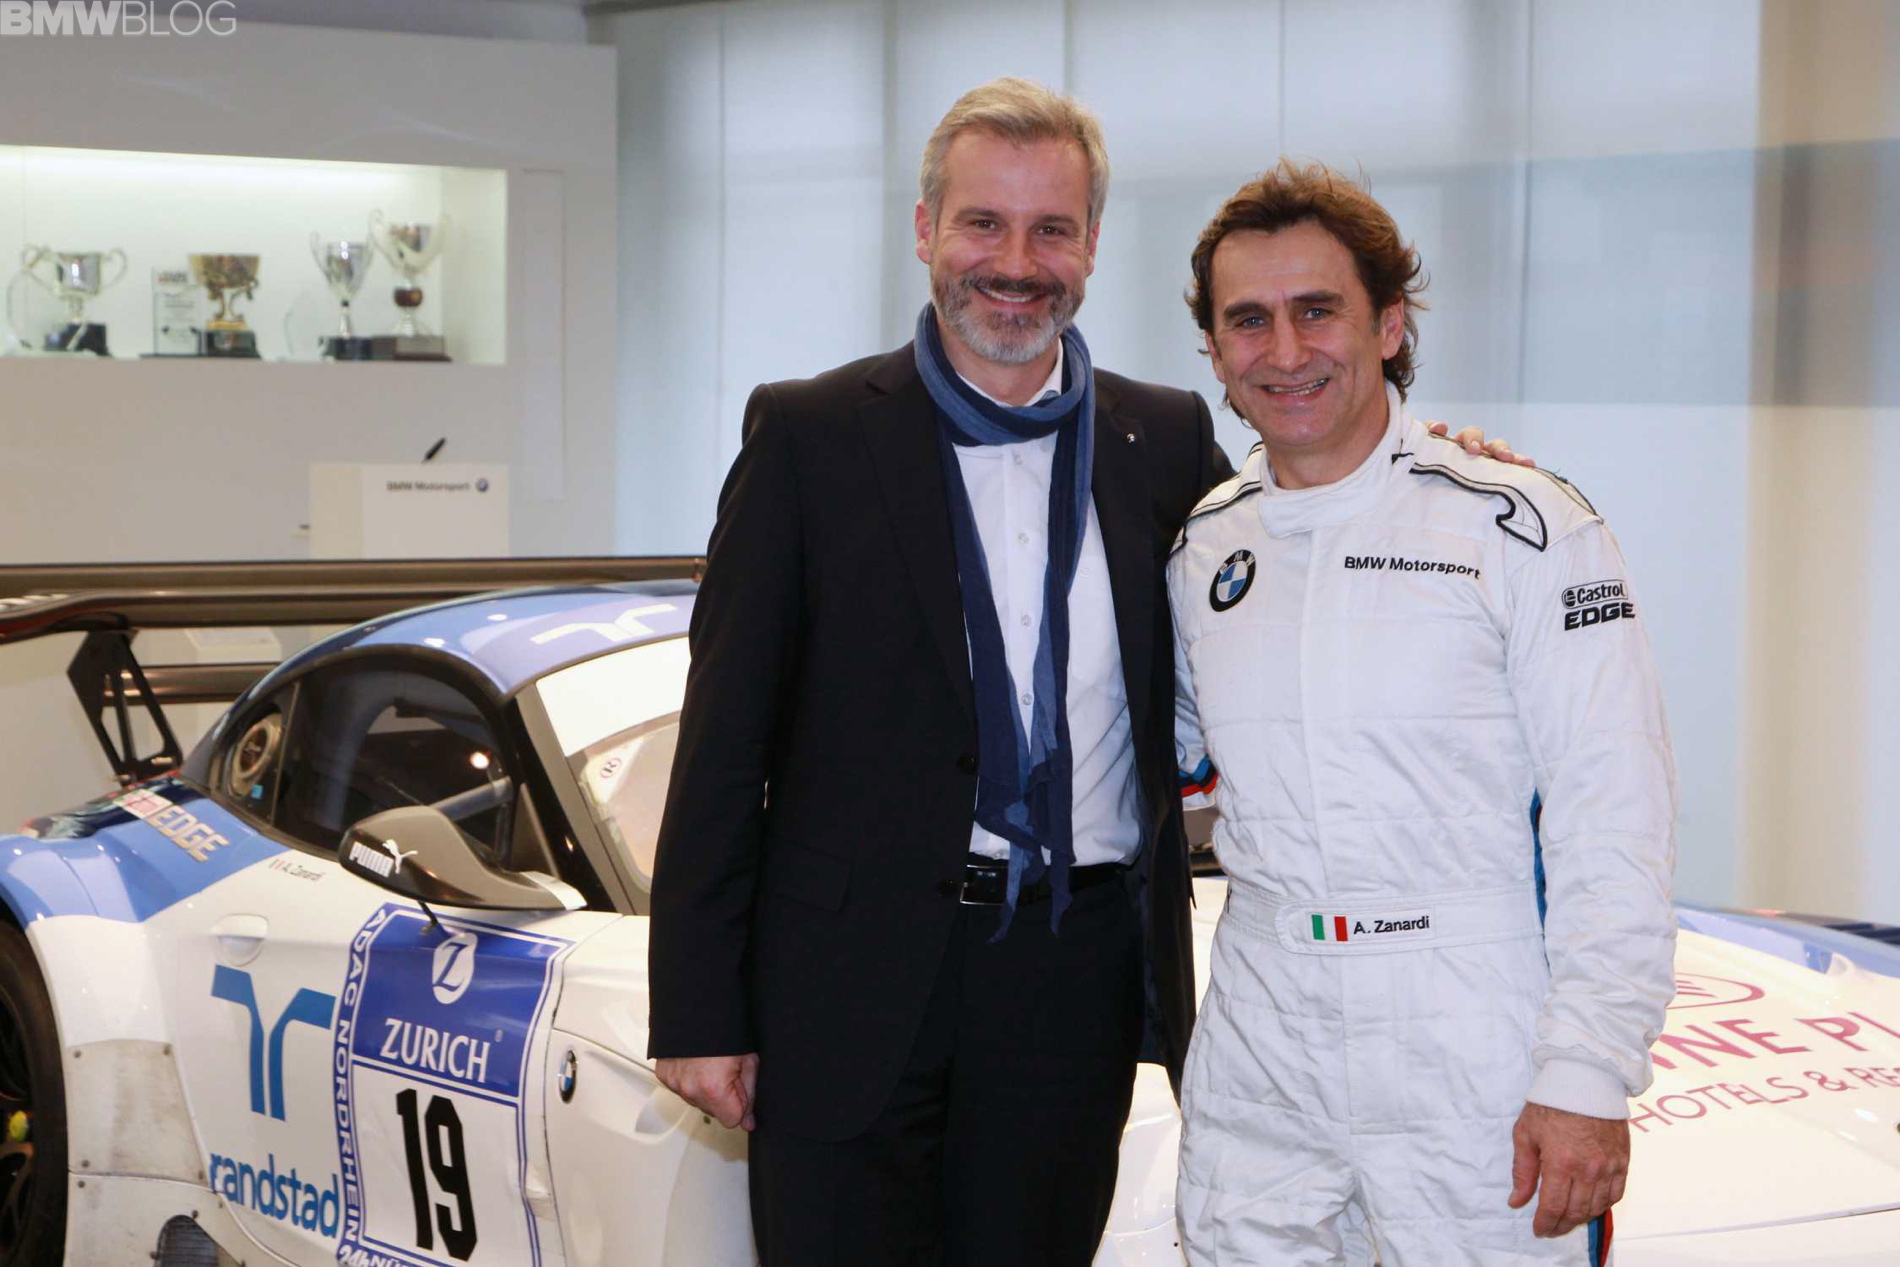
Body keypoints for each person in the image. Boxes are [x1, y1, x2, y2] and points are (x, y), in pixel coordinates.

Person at [650, 80, 1522, 1266]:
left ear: (1093, 246)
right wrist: (700, 1008)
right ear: (925, 230)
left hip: (1072, 978)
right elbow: (722, 741)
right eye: (983, 224)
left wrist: (1438, 473)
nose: (1015, 264)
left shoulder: (1163, 441)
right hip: (844, 983)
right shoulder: (811, 436)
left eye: (1050, 230)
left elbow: (1302, 543)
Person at [1167, 160, 1677, 1265]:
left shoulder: (1523, 525)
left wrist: (1589, 1071)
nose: (1285, 351)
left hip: (1473, 1032)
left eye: (1318, 311)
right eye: (1248, 320)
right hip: (1261, 1030)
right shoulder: (1201, 545)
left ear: (1390, 323)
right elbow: (1156, 765)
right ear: (1212, 350)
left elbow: (1613, 816)